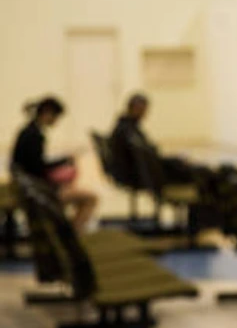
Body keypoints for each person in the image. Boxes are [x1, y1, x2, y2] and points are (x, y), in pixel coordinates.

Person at [10, 97, 97, 231]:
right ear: (47, 113)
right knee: (90, 198)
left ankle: (65, 235)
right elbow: (37, 167)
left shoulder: (28, 131)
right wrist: (63, 162)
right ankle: (72, 237)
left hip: (33, 188)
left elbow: (35, 164)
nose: (56, 121)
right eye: (56, 117)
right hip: (39, 191)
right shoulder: (34, 135)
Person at [110, 93, 194, 184]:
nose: (144, 114)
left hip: (145, 170)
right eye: (143, 110)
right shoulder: (127, 130)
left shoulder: (127, 127)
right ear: (135, 108)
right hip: (144, 173)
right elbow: (147, 156)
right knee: (198, 172)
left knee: (182, 163)